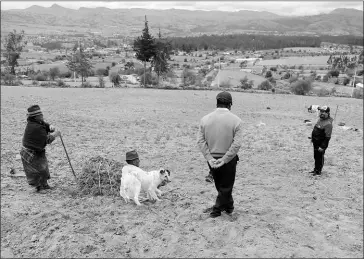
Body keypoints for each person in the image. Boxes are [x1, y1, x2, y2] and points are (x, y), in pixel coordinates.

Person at [197, 91, 243, 218]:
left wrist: (209, 158)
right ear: (230, 105)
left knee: (220, 185)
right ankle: (216, 211)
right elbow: (237, 144)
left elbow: (200, 141)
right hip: (229, 159)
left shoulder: (204, 119)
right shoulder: (237, 121)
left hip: (212, 159)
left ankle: (229, 207)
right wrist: (225, 159)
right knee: (226, 187)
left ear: (217, 103)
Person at [20, 105, 61, 193]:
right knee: (34, 171)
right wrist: (55, 134)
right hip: (30, 152)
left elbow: (44, 124)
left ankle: (45, 184)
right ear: (35, 117)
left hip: (38, 150)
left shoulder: (38, 123)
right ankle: (38, 187)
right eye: (40, 115)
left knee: (43, 168)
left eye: (41, 114)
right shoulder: (35, 127)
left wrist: (50, 126)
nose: (42, 116)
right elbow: (47, 140)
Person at [310, 106, 333, 176]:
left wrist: (322, 146)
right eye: (321, 111)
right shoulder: (320, 119)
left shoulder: (328, 124)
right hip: (315, 142)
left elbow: (327, 137)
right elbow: (316, 129)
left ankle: (318, 171)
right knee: (315, 156)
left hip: (320, 144)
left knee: (319, 157)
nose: (321, 113)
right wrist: (312, 137)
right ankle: (315, 169)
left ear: (328, 113)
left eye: (323, 112)